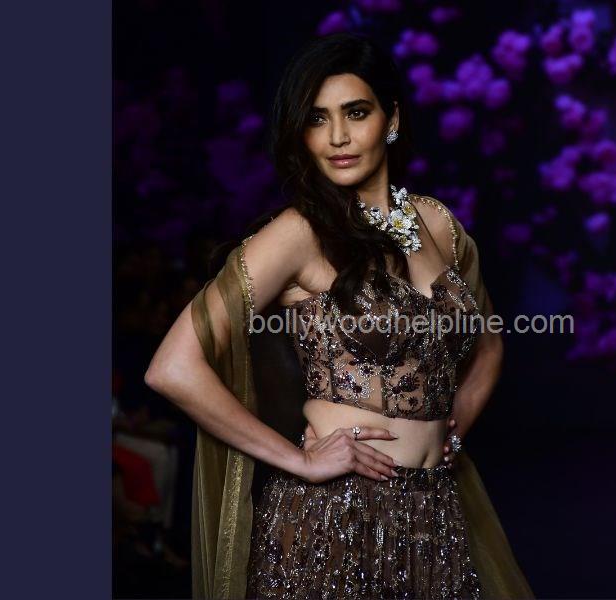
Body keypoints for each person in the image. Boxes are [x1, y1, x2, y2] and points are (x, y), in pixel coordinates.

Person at [145, 32, 535, 599]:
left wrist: (449, 434)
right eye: (317, 119)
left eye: (356, 112)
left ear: (391, 119)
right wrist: (297, 461)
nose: (337, 138)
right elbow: (172, 368)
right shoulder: (298, 234)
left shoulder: (437, 225)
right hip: (332, 517)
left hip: (437, 519)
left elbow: (490, 343)